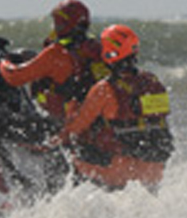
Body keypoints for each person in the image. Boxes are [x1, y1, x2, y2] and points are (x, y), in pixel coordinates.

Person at [50, 24, 173, 188]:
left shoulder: (104, 89)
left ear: (108, 53)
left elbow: (75, 128)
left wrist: (68, 114)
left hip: (120, 173)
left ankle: (53, 199)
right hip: (155, 172)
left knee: (64, 153)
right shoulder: (153, 82)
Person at [0, 0, 108, 122]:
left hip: (56, 122)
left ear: (63, 24)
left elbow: (14, 76)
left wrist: (2, 60)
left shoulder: (56, 53)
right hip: (86, 119)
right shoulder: (95, 49)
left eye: (57, 22)